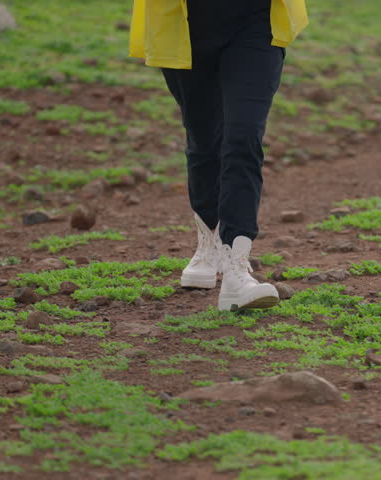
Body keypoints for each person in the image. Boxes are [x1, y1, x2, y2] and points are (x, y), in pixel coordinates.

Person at [129, 0, 308, 311]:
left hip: (256, 18)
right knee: (203, 141)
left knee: (243, 136)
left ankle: (237, 269)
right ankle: (208, 241)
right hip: (185, 21)